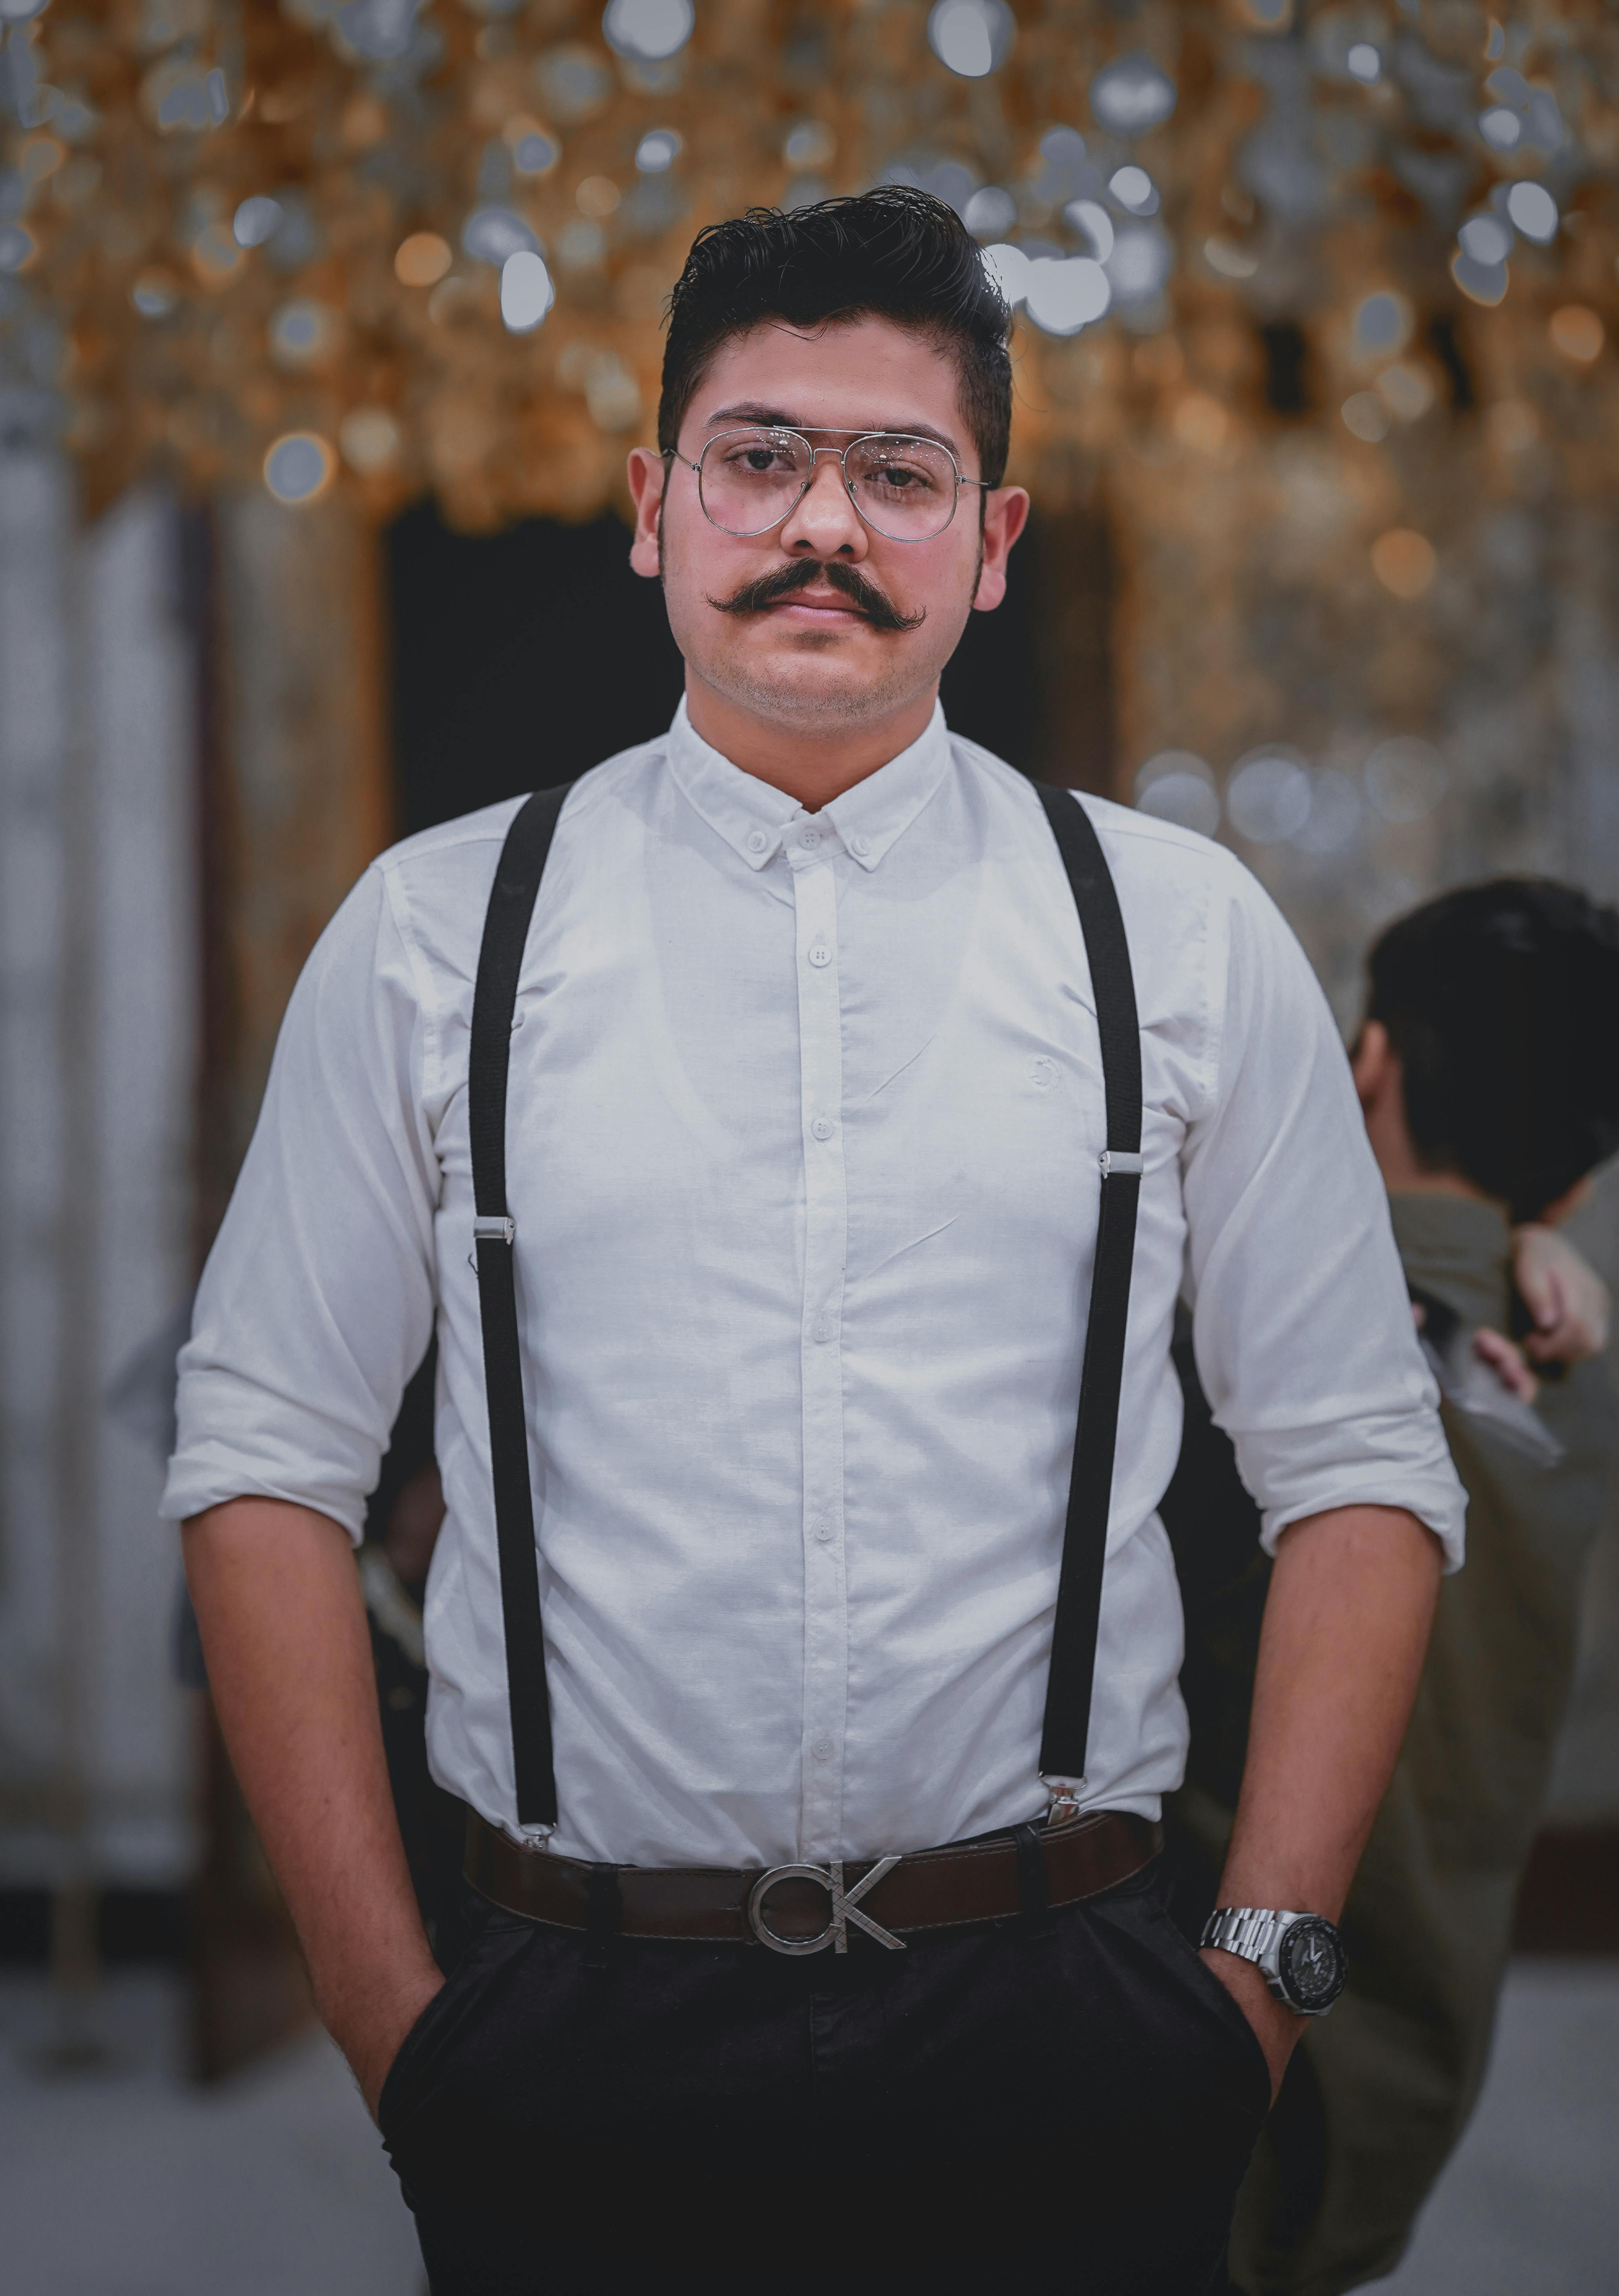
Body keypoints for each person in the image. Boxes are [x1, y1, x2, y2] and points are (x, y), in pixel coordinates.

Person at [164, 191, 1462, 2294]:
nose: (822, 525)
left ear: (993, 535)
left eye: (898, 471)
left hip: (1077, 2017)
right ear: (654, 508)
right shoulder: (431, 935)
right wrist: (391, 2027)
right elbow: (260, 1464)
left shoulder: (1180, 935)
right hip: (571, 2020)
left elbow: (1364, 1477)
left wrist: (1259, 1991)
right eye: (761, 457)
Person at [1166, 878, 1619, 2296]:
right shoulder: (1574, 1361)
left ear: (1367, 1065)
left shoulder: (1220, 1354)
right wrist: (1521, 1238)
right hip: (1409, 2065)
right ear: (1585, 1176)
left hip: (1187, 2028)